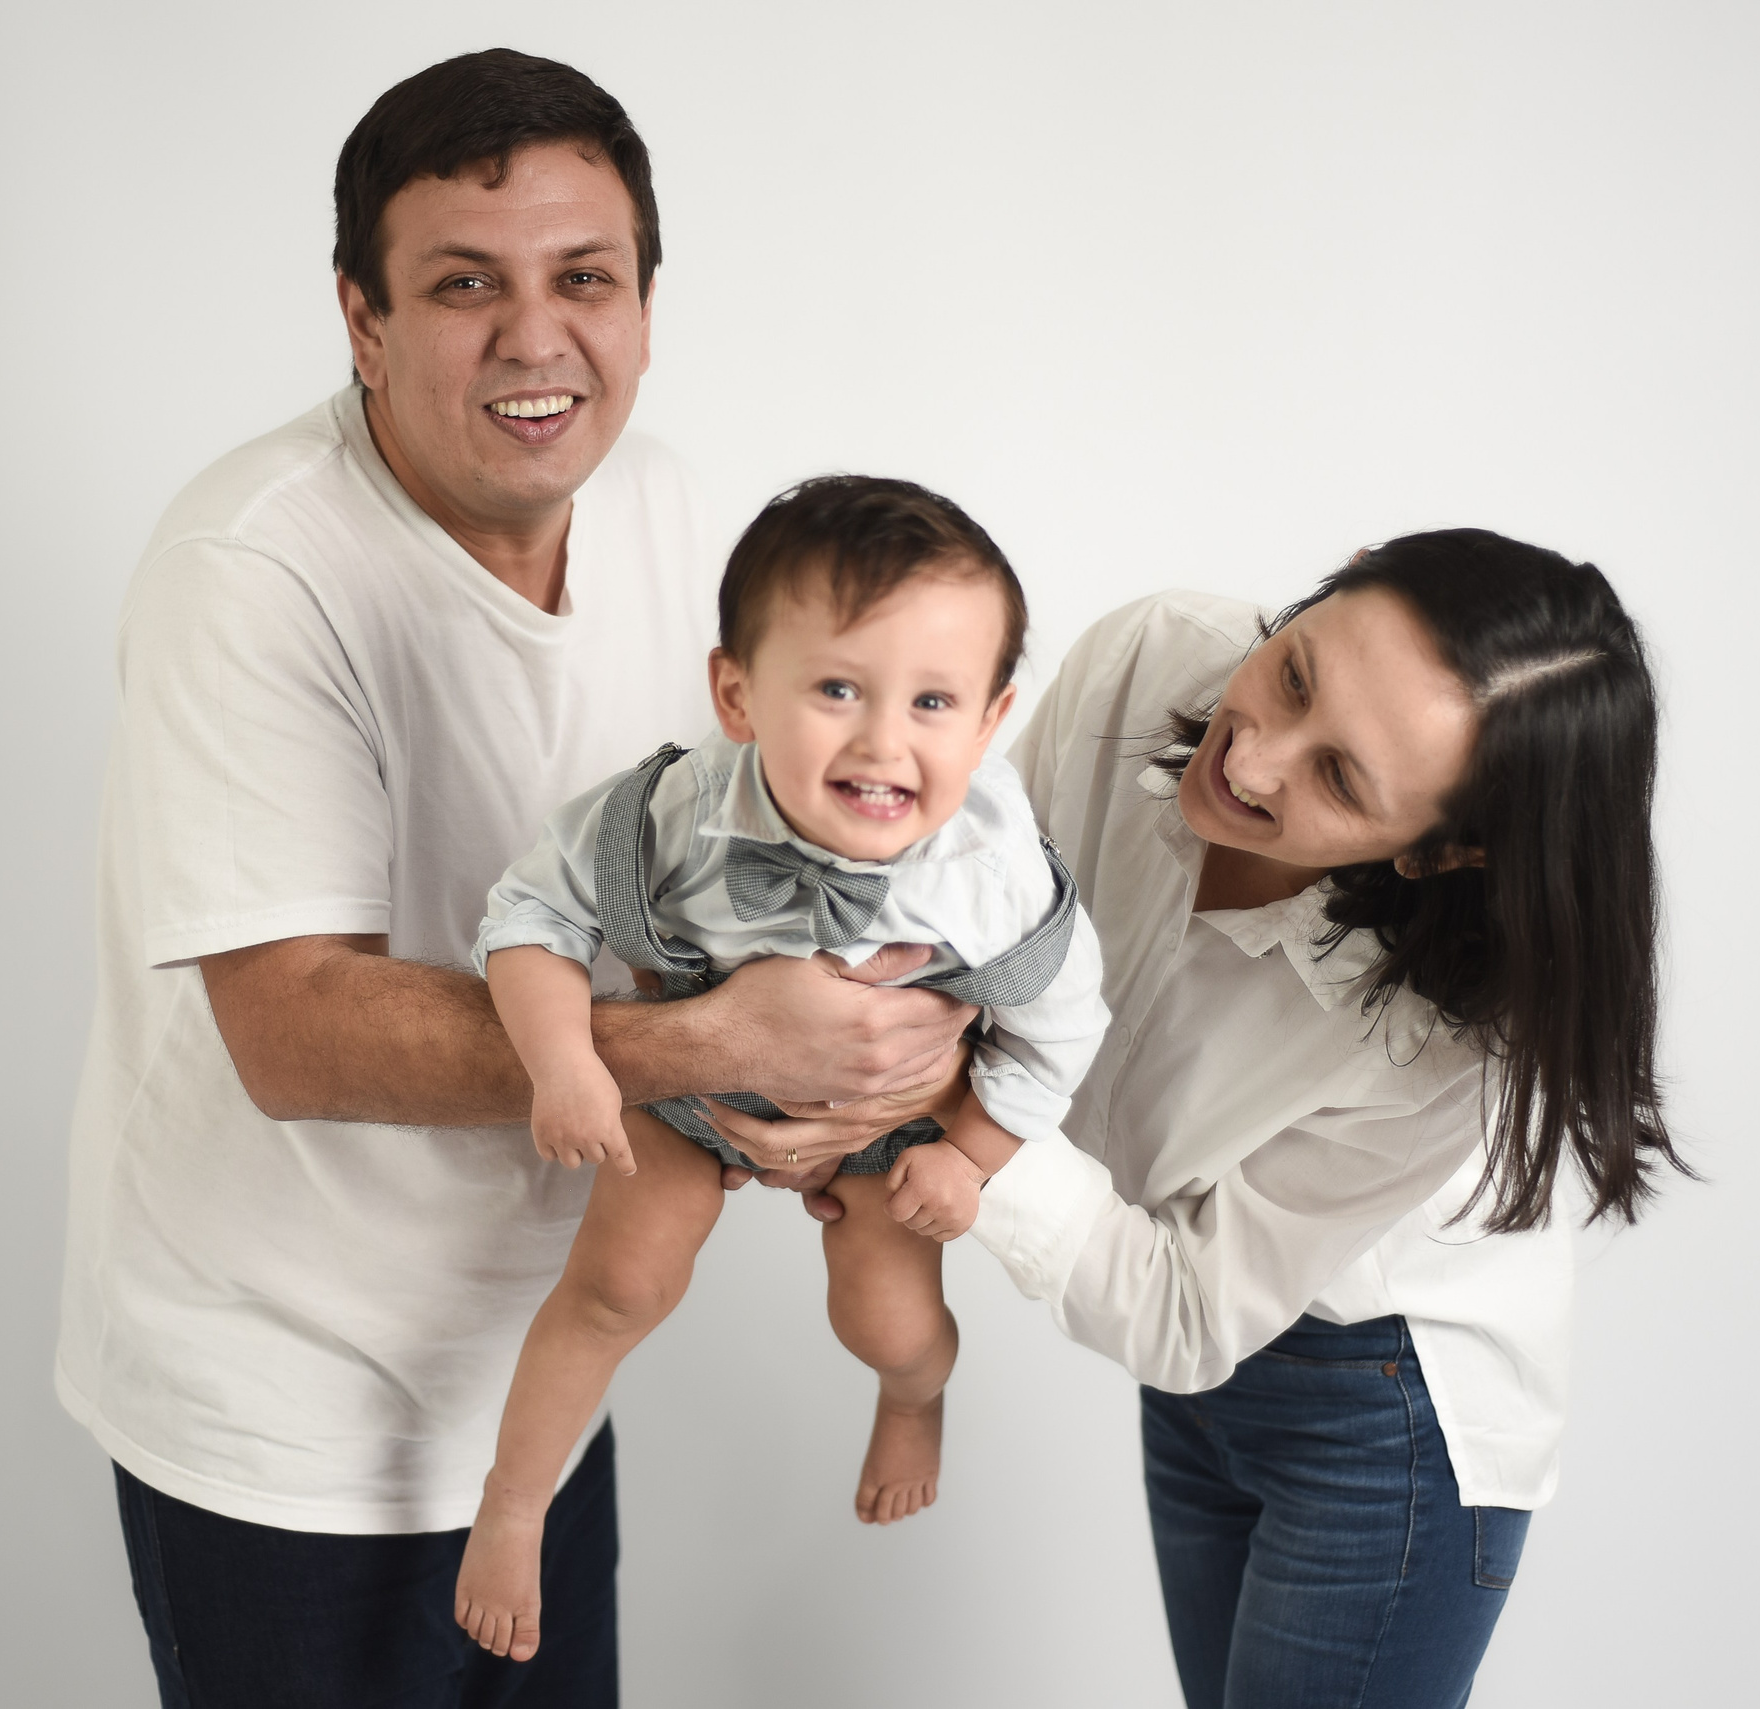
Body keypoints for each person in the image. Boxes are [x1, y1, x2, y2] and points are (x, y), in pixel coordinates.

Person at [53, 52, 971, 1709]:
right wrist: (719, 1050)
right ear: (363, 317)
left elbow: (744, 860)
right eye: (465, 286)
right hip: (288, 1417)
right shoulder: (252, 571)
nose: (538, 340)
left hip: (535, 1377)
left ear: (642, 298)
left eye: (584, 280)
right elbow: (297, 1031)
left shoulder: (670, 501)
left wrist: (869, 1059)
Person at [713, 530, 1680, 1708]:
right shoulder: (1152, 657)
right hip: (1195, 1366)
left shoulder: (1442, 1045)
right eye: (1293, 673)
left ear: (1441, 850)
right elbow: (982, 926)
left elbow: (1183, 1310)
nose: (1256, 759)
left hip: (1382, 1414)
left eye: (1340, 778)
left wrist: (931, 1113)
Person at [451, 477, 1109, 1662]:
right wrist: (567, 1063)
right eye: (838, 688)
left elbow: (1063, 1019)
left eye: (933, 701)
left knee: (887, 1314)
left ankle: (914, 1397)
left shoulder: (992, 869)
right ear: (736, 692)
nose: (882, 741)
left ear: (992, 717)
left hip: (890, 1113)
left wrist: (973, 1151)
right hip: (690, 1083)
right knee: (619, 1283)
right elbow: (529, 910)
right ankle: (512, 1499)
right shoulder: (666, 813)